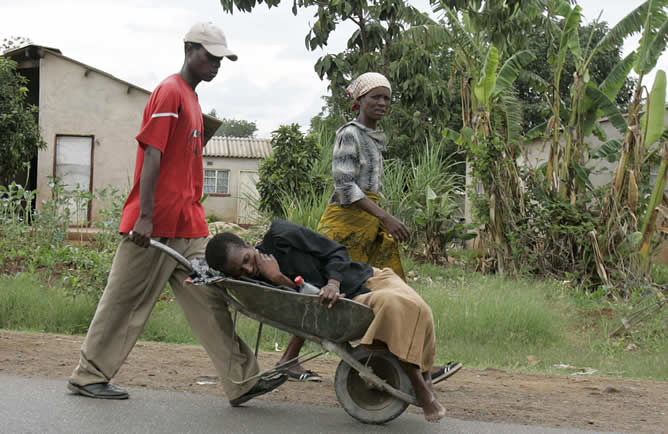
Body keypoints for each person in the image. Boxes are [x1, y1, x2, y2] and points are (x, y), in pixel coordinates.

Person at [67, 22, 286, 407]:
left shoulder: (194, 101)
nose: (216, 64)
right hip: (153, 226)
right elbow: (152, 155)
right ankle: (89, 376)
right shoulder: (170, 92)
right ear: (189, 49)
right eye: (210, 56)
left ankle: (242, 379)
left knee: (211, 302)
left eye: (221, 59)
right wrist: (146, 217)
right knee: (125, 301)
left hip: (188, 226)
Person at [285, 72, 461, 383]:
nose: (381, 102)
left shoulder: (374, 137)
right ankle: (289, 358)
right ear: (359, 101)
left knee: (395, 291)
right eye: (374, 97)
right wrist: (385, 217)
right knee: (324, 292)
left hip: (370, 225)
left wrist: (381, 219)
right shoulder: (349, 134)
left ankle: (413, 364)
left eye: (386, 98)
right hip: (344, 225)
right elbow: (344, 186)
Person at [205, 220, 448, 422]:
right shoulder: (258, 283)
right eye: (239, 271)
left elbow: (336, 251)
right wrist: (278, 279)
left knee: (419, 307)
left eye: (247, 259)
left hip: (364, 278)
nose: (248, 269)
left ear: (249, 245)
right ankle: (420, 387)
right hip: (351, 302)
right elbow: (299, 308)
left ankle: (424, 375)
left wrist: (333, 283)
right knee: (396, 306)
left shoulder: (280, 235)